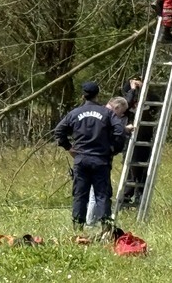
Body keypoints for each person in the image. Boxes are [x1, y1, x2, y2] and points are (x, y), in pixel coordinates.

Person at [53, 82, 127, 230]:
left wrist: (69, 148)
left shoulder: (74, 113)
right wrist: (113, 148)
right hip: (101, 159)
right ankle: (105, 228)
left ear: (83, 96)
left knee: (80, 195)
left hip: (81, 159)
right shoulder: (107, 113)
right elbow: (120, 130)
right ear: (97, 95)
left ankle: (77, 229)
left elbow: (58, 131)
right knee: (102, 195)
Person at [84, 96, 130, 225]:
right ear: (116, 107)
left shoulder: (96, 113)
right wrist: (123, 130)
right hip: (99, 157)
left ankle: (89, 220)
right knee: (97, 192)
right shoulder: (108, 115)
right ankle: (90, 222)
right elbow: (111, 132)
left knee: (92, 192)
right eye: (121, 112)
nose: (120, 115)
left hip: (84, 156)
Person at [120, 76, 160, 207]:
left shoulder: (150, 98)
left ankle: (139, 195)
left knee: (144, 167)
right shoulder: (125, 100)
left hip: (145, 137)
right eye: (134, 81)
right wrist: (131, 89)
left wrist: (144, 87)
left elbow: (156, 103)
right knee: (131, 167)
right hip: (129, 139)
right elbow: (125, 104)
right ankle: (126, 196)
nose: (137, 84)